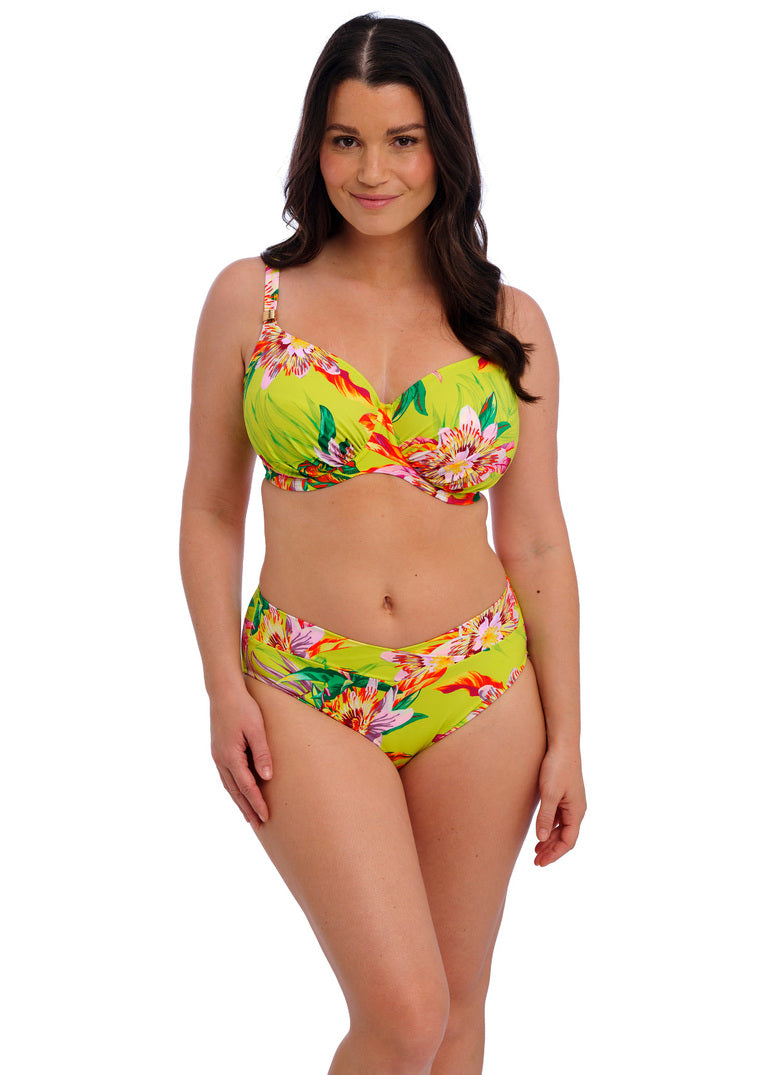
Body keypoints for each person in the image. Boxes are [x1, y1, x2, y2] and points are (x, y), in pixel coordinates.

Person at [180, 13, 586, 1073]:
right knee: (403, 1014)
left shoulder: (511, 320)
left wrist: (570, 735)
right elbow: (212, 510)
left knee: (457, 1010)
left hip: (481, 684)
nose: (373, 171)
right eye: (346, 139)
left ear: (444, 145)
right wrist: (221, 687)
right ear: (314, 148)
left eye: (403, 140)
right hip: (305, 683)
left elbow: (537, 540)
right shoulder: (251, 299)